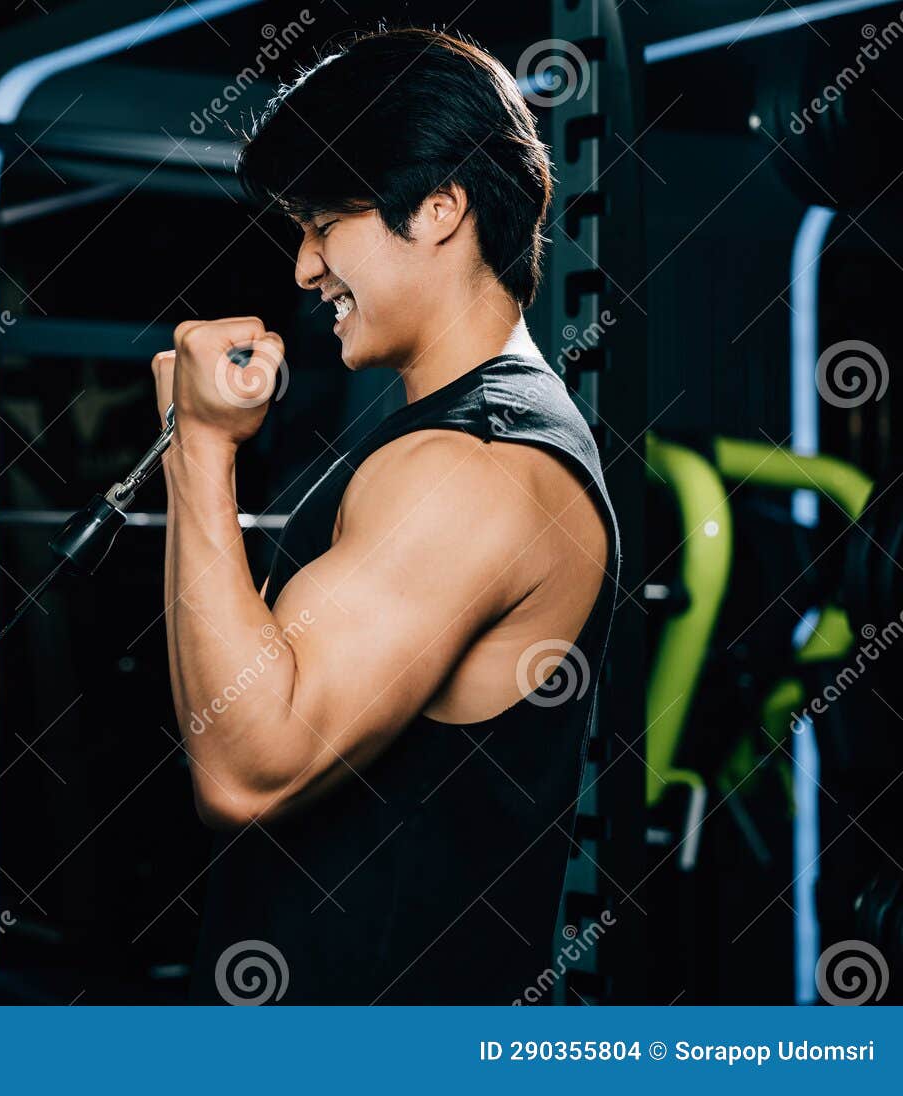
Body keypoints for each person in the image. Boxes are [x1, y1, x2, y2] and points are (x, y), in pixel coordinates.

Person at [152, 27, 620, 1004]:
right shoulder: (454, 436)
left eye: (324, 222)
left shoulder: (475, 464)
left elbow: (249, 766)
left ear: (439, 210)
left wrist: (198, 448)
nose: (303, 267)